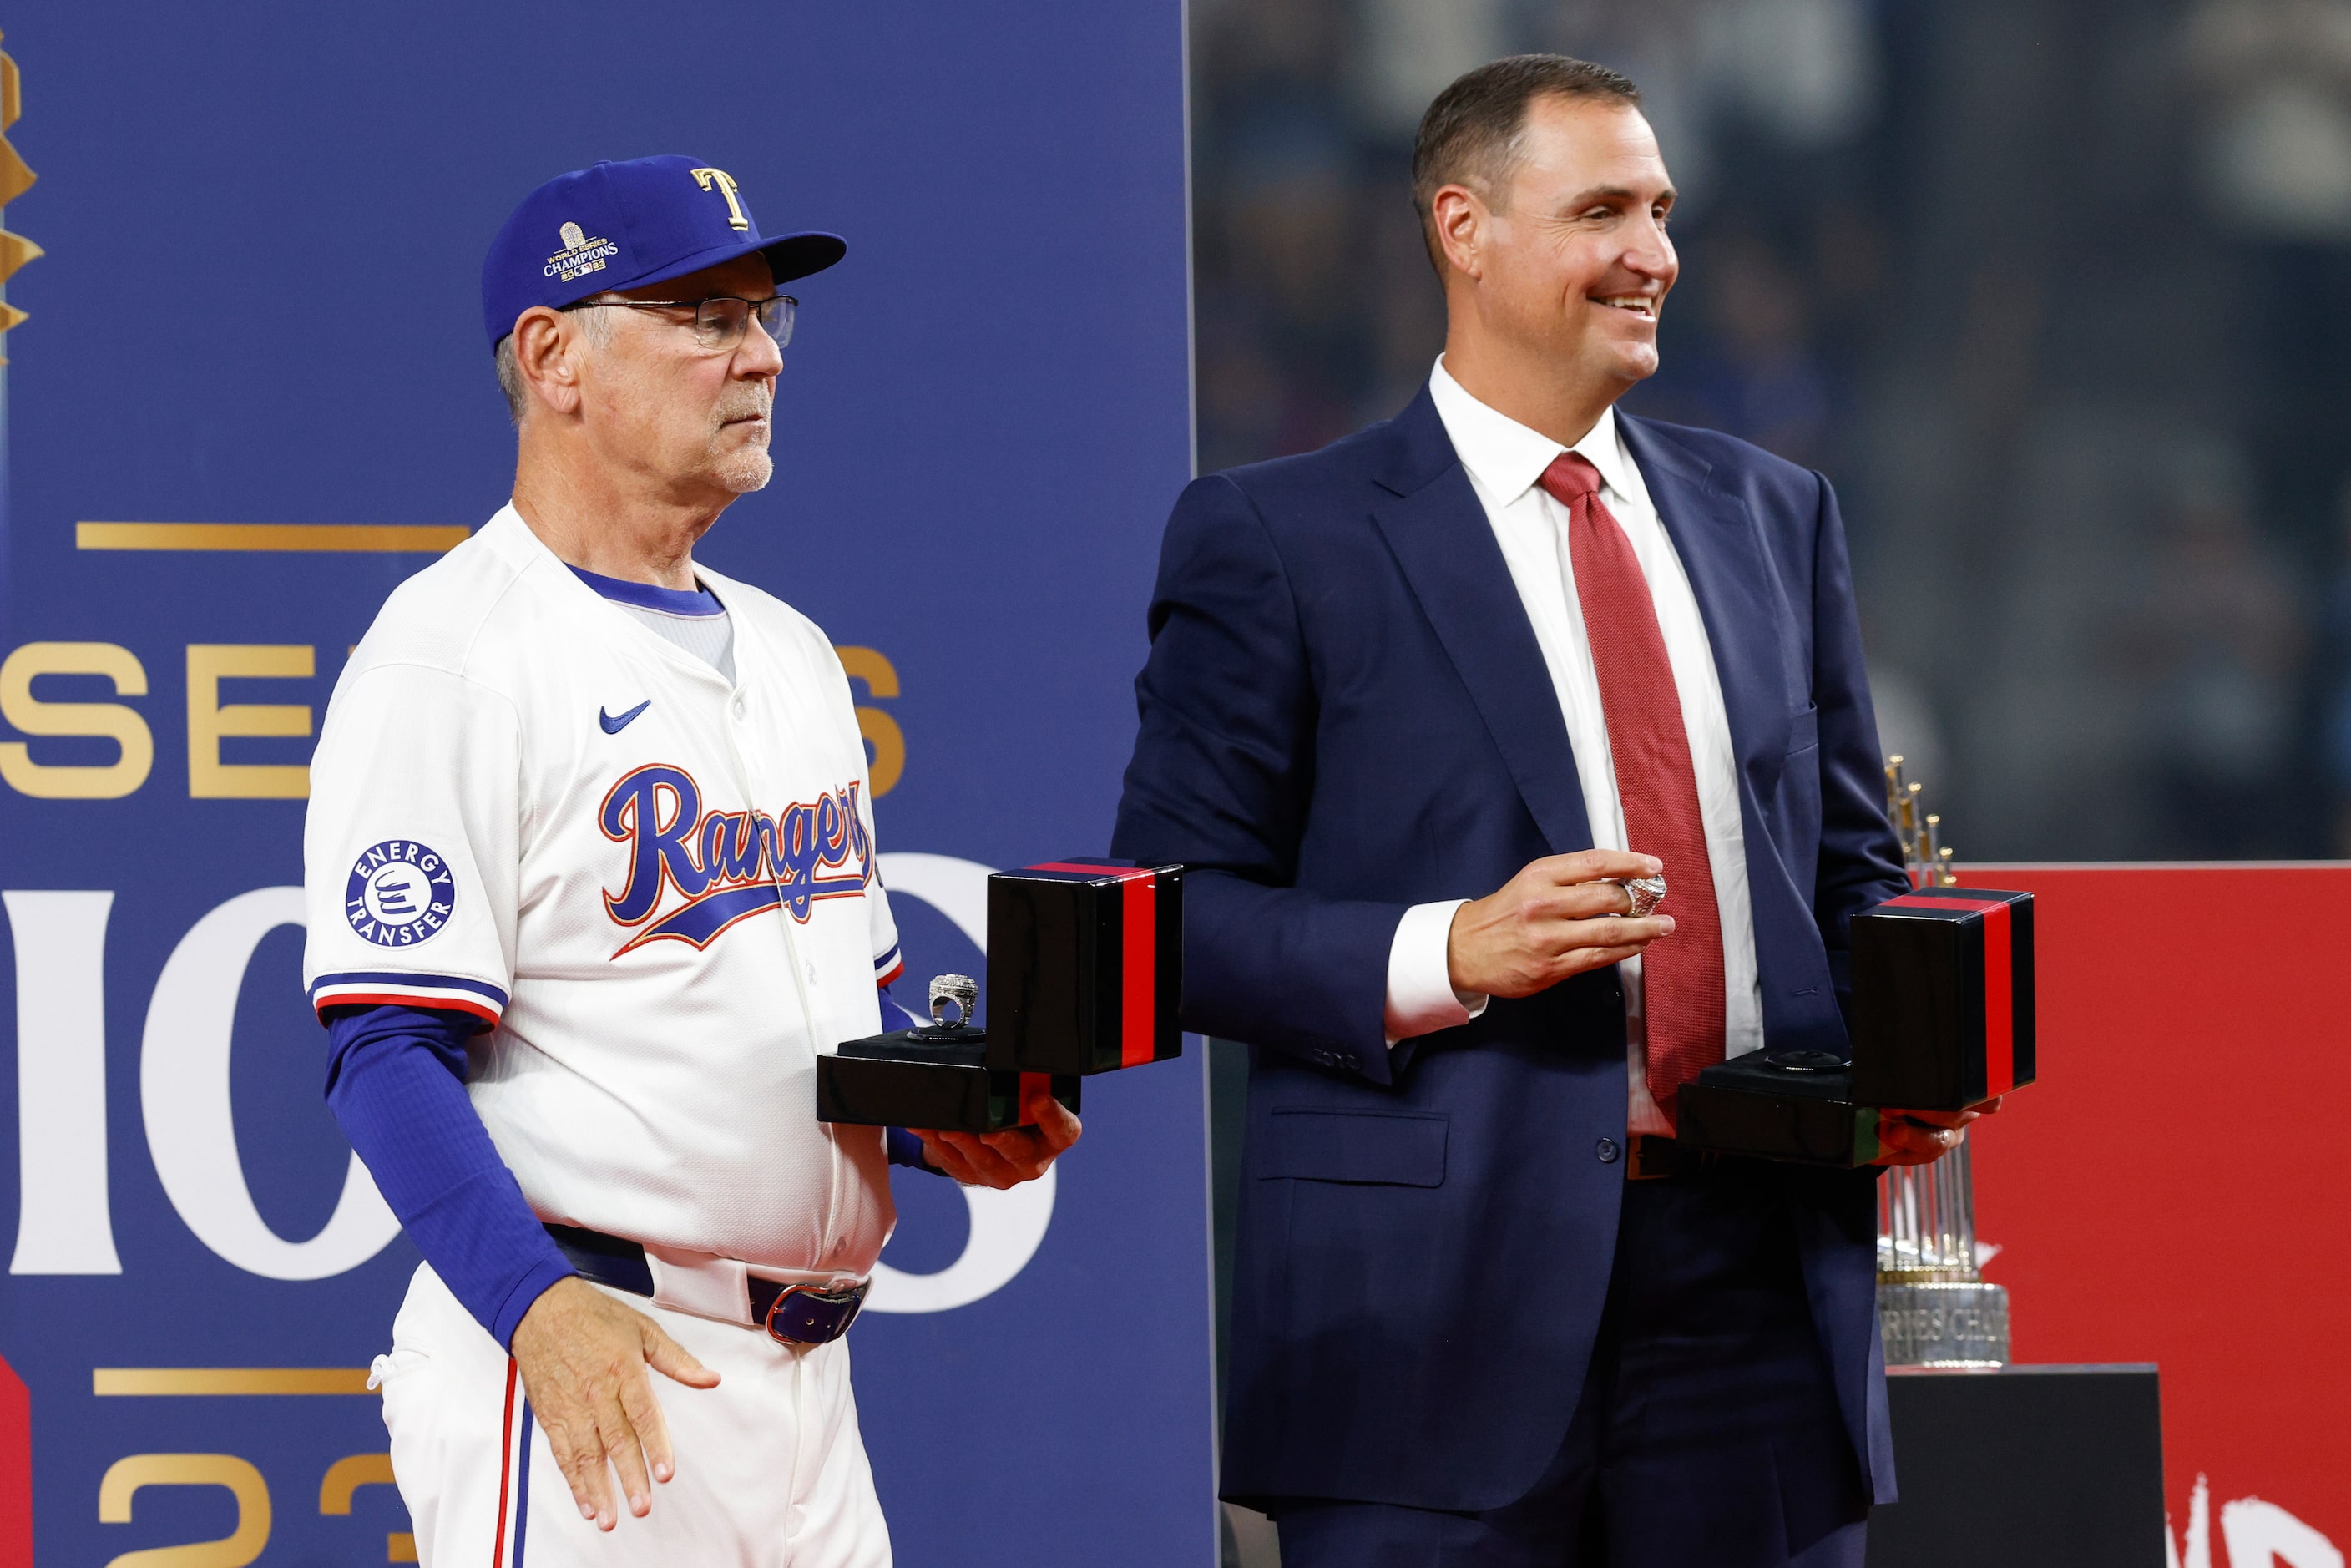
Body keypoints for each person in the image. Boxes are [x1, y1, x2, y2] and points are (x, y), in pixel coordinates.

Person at [1110, 57, 1990, 1565]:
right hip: (1424, 1328)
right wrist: (1451, 948)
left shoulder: (1776, 516)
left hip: (1760, 1306)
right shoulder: (1278, 536)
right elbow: (1164, 919)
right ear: (1464, 227)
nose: (1652, 253)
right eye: (1602, 211)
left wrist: (1906, 1050)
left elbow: (1851, 869)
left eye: (1660, 211)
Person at [301, 154, 1078, 1567]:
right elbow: (384, 1046)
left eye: (768, 314)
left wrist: (935, 1118)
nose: (762, 353)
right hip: (591, 1356)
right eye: (703, 316)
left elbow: (830, 1027)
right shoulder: (451, 655)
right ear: (555, 358)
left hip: (807, 1381)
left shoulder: (789, 650)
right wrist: (533, 1305)